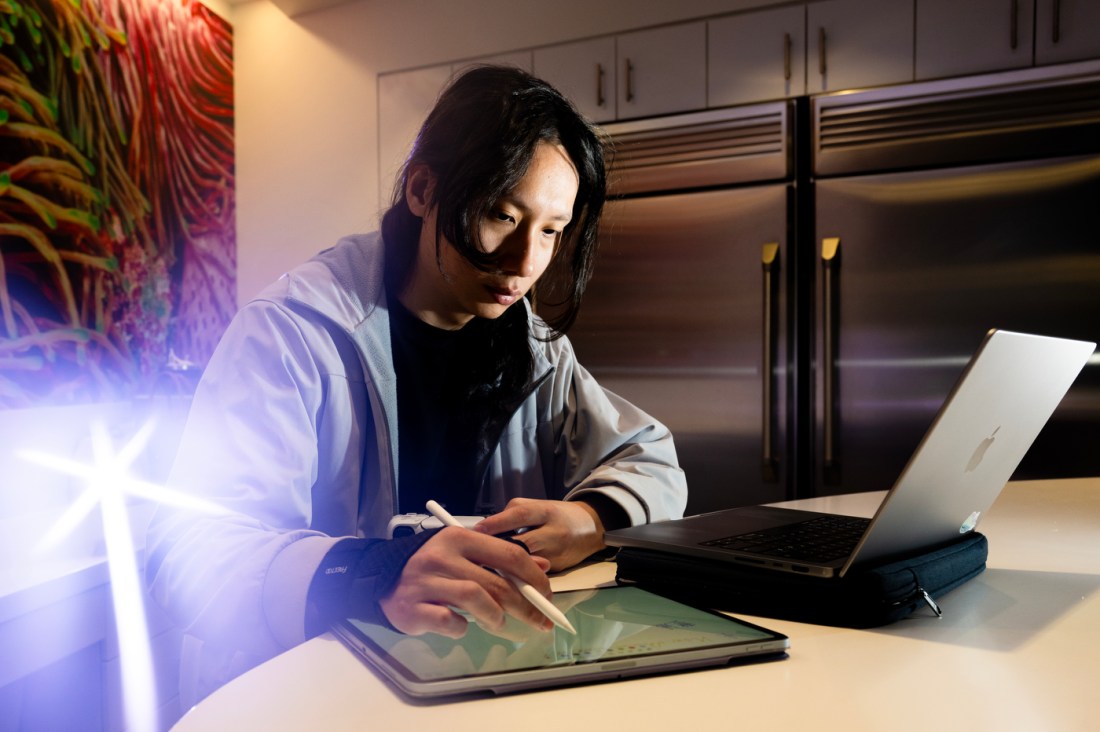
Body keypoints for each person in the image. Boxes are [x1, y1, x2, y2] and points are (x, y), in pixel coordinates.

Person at [145, 65, 687, 707]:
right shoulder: (294, 332)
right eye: (501, 216)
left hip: (472, 678)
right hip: (309, 696)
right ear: (423, 190)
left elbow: (649, 456)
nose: (524, 263)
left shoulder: (533, 348)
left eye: (550, 230)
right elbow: (187, 557)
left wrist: (590, 516)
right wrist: (375, 573)